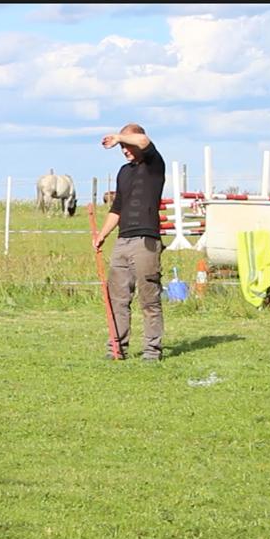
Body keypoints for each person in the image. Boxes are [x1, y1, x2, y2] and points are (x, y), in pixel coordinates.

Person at [93, 123, 166, 361]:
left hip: (146, 240)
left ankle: (151, 350)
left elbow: (144, 141)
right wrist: (103, 234)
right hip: (122, 241)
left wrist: (118, 136)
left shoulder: (154, 163)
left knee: (149, 297)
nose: (124, 149)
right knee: (118, 298)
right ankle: (117, 348)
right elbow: (117, 208)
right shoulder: (124, 172)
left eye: (127, 144)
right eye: (121, 146)